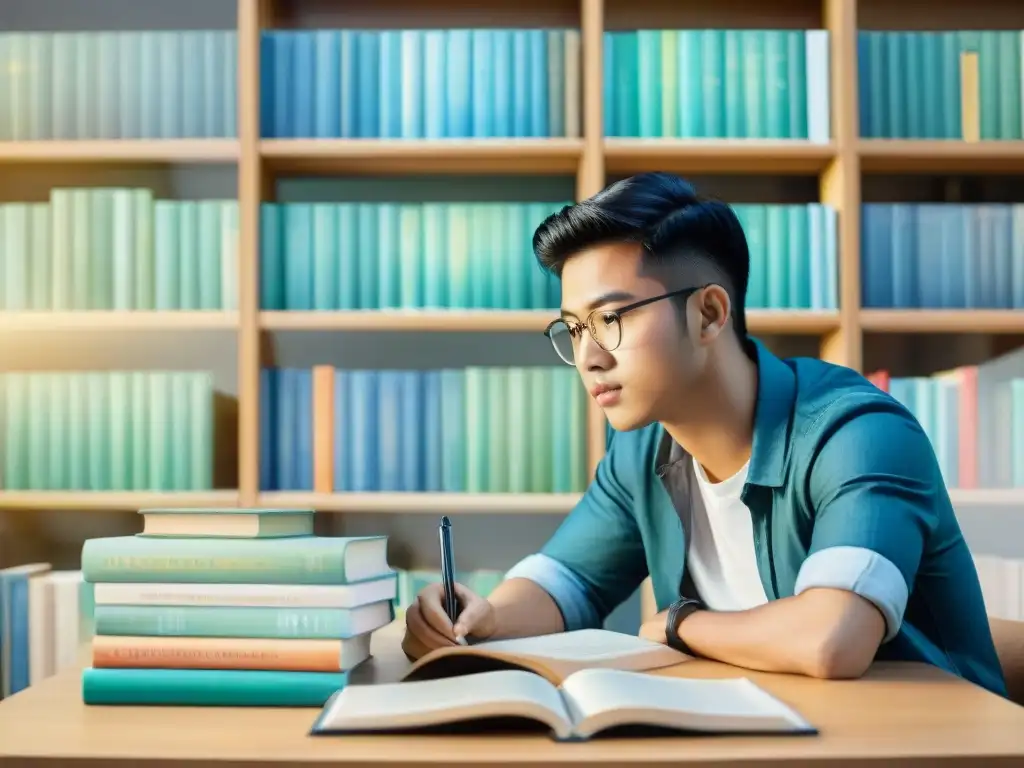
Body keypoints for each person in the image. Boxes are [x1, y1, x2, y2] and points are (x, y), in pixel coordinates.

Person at [401, 172, 1007, 697]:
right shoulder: (642, 451)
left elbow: (832, 639)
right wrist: (479, 618)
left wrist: (679, 623)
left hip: (925, 744)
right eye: (573, 328)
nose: (587, 357)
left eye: (609, 320)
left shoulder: (858, 433)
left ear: (710, 313)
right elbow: (567, 583)